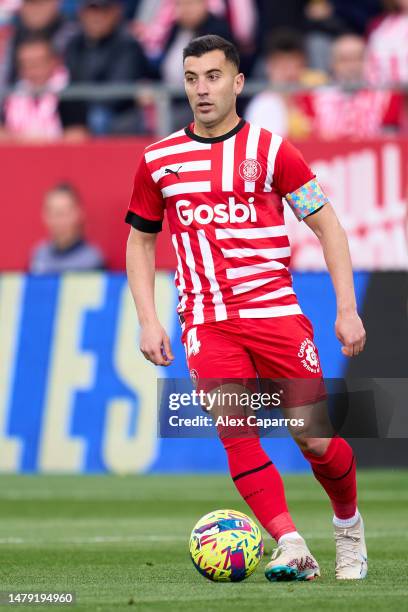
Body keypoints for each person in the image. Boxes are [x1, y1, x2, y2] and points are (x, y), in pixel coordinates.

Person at [125, 34, 367, 581]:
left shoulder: (273, 151)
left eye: (213, 77)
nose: (201, 90)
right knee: (237, 430)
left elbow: (326, 224)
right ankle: (291, 545)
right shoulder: (159, 160)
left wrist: (346, 309)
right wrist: (148, 319)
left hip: (276, 313)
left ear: (237, 82)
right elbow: (140, 240)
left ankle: (348, 527)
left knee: (316, 439)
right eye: (191, 79)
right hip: (207, 322)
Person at [64, 0, 151, 135]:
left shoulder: (127, 44)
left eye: (103, 11)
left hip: (119, 114)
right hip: (81, 110)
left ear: (116, 13)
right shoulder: (74, 44)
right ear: (81, 13)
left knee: (98, 116)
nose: (96, 17)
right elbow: (68, 82)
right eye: (91, 10)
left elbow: (116, 94)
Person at [310, 33, 403, 139]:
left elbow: (390, 141)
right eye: (344, 60)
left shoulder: (386, 96)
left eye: (357, 59)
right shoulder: (316, 98)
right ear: (333, 63)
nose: (351, 66)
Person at [0, 35, 87, 141]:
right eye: (26, 64)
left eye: (38, 63)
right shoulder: (13, 93)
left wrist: (27, 140)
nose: (32, 70)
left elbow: (77, 137)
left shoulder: (68, 92)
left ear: (54, 61)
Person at [245, 30, 321, 139]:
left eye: (295, 66)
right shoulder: (263, 105)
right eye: (283, 66)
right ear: (269, 67)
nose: (290, 73)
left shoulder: (315, 97)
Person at [30, 183, 105, 273]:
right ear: (44, 216)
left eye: (64, 213)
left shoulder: (92, 260)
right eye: (54, 213)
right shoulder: (39, 256)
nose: (58, 220)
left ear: (79, 213)